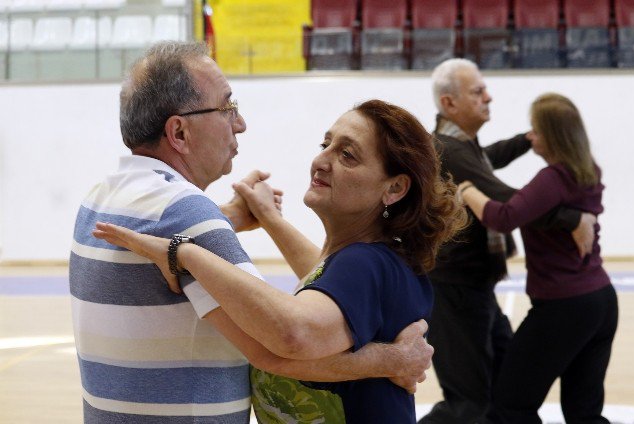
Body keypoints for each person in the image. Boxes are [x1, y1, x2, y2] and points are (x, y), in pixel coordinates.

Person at [69, 42, 434, 423]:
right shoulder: (188, 214)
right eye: (227, 107)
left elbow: (321, 301)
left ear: (394, 188)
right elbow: (283, 337)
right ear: (178, 132)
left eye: (347, 154)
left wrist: (206, 236)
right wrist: (390, 360)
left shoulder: (101, 198)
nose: (239, 123)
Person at [420, 58, 595, 424]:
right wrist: (573, 218)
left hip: (473, 289)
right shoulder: (450, 150)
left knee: (502, 386)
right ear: (449, 103)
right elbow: (512, 203)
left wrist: (525, 141)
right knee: (470, 402)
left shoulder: (460, 144)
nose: (489, 96)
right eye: (477, 92)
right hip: (455, 293)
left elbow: (487, 159)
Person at [458, 93, 618, 424]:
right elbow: (534, 206)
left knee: (511, 405)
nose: (531, 137)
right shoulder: (588, 170)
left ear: (553, 136)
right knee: (584, 412)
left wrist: (467, 190)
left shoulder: (552, 178)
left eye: (535, 130)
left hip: (563, 308)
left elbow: (503, 217)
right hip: (601, 301)